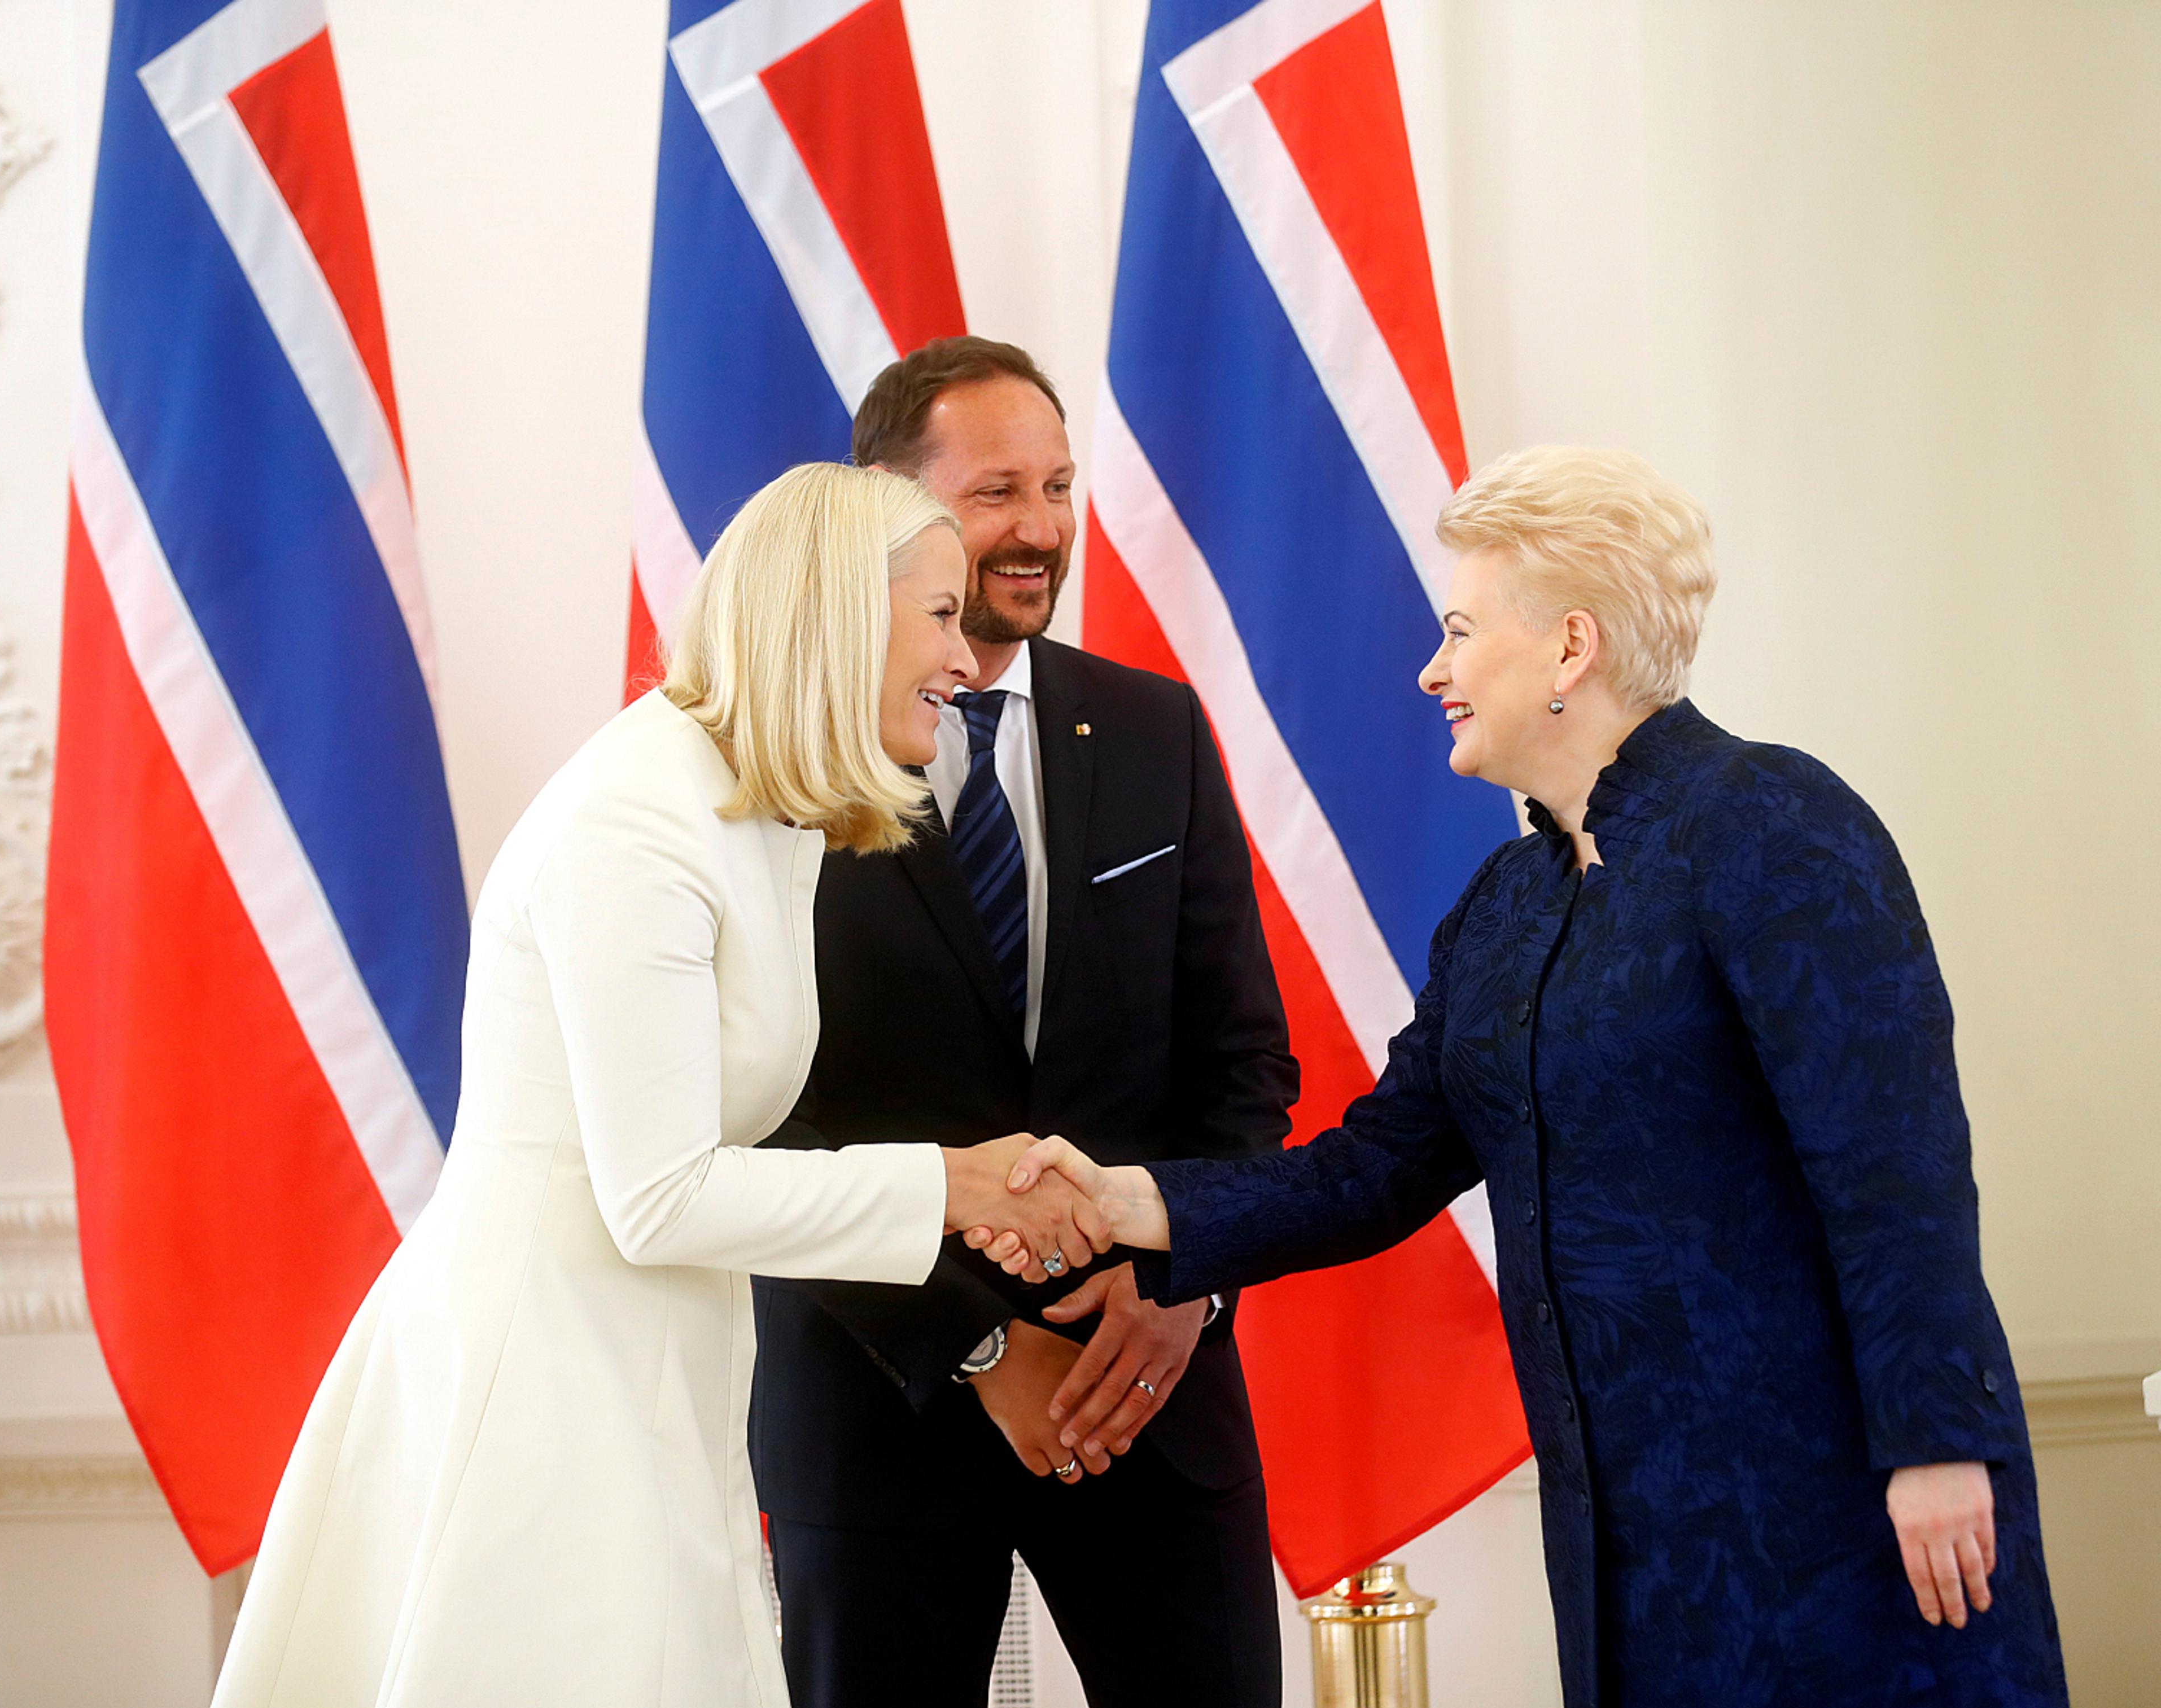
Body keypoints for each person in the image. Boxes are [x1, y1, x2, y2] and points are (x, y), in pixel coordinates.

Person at [999, 448, 2070, 1707]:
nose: (1432, 671)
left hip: (1839, 1500)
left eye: (1460, 632)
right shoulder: (1507, 903)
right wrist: (1125, 1200)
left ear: (1571, 647)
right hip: (1623, 1530)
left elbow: (1895, 1165)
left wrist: (1937, 1443)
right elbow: (1372, 1169)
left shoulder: (1773, 821)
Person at [210, 464, 1105, 1708]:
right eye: (943, 615)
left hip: (655, 1371)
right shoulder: (635, 822)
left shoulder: (754, 811)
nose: (968, 656)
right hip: (543, 1384)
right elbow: (661, 1196)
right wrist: (954, 1186)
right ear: (842, 611)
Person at [748, 339, 1297, 1708]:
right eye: (998, 491)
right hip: (881, 1409)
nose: (1044, 528)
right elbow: (765, 1116)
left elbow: (1244, 1065)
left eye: (1058, 486)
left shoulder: (1158, 729)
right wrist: (981, 1346)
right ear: (889, 508)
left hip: (1148, 1392)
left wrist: (1183, 1282)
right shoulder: (778, 764)